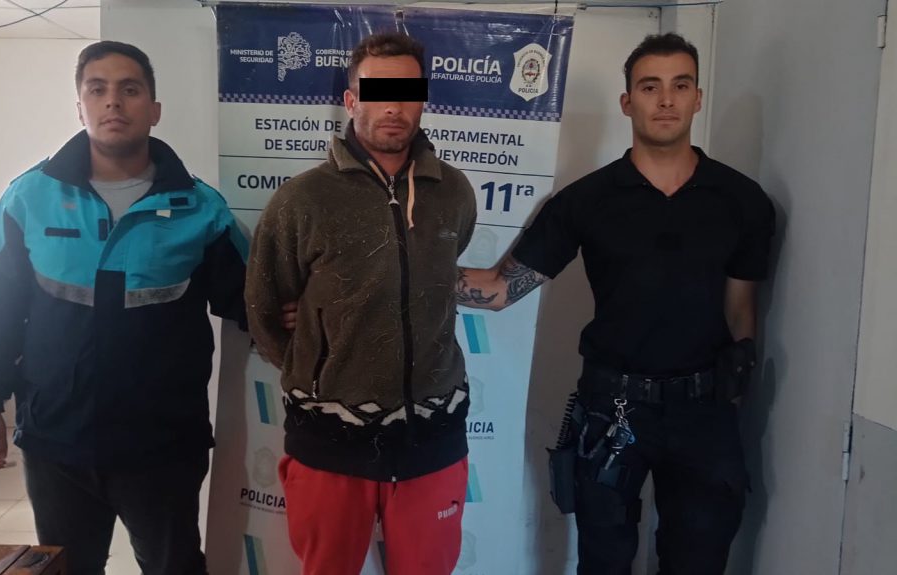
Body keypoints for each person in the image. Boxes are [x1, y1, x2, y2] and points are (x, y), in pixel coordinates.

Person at [457, 33, 775, 574]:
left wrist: (731, 400)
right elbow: (500, 288)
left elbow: (741, 313)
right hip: (612, 407)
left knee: (699, 562)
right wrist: (400, 269)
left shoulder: (742, 201)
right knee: (603, 561)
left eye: (680, 85)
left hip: (705, 410)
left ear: (698, 97)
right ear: (627, 102)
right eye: (650, 87)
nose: (666, 100)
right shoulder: (586, 201)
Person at [0, 40, 247, 575]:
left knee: (175, 567)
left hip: (163, 444)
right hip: (56, 441)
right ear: (80, 106)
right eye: (98, 89)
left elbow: (252, 299)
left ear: (154, 109)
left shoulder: (200, 208)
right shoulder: (28, 199)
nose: (113, 101)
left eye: (130, 89)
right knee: (68, 568)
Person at [245, 32, 477, 575]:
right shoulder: (301, 199)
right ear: (351, 101)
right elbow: (265, 308)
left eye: (407, 92)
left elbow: (441, 271)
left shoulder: (454, 192)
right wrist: (320, 364)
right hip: (329, 441)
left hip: (433, 436)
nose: (393, 106)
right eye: (377, 92)